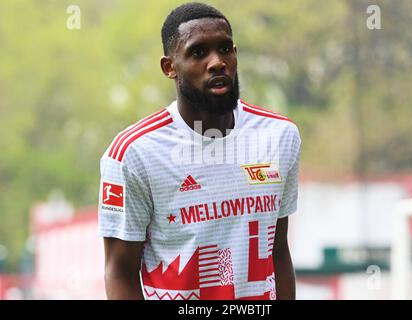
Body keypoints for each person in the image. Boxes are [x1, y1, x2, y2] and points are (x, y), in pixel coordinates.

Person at [98, 2, 301, 300]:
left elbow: (277, 251)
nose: (217, 62)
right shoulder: (133, 153)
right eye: (198, 52)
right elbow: (119, 272)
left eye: (225, 48)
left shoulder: (280, 136)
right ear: (170, 67)